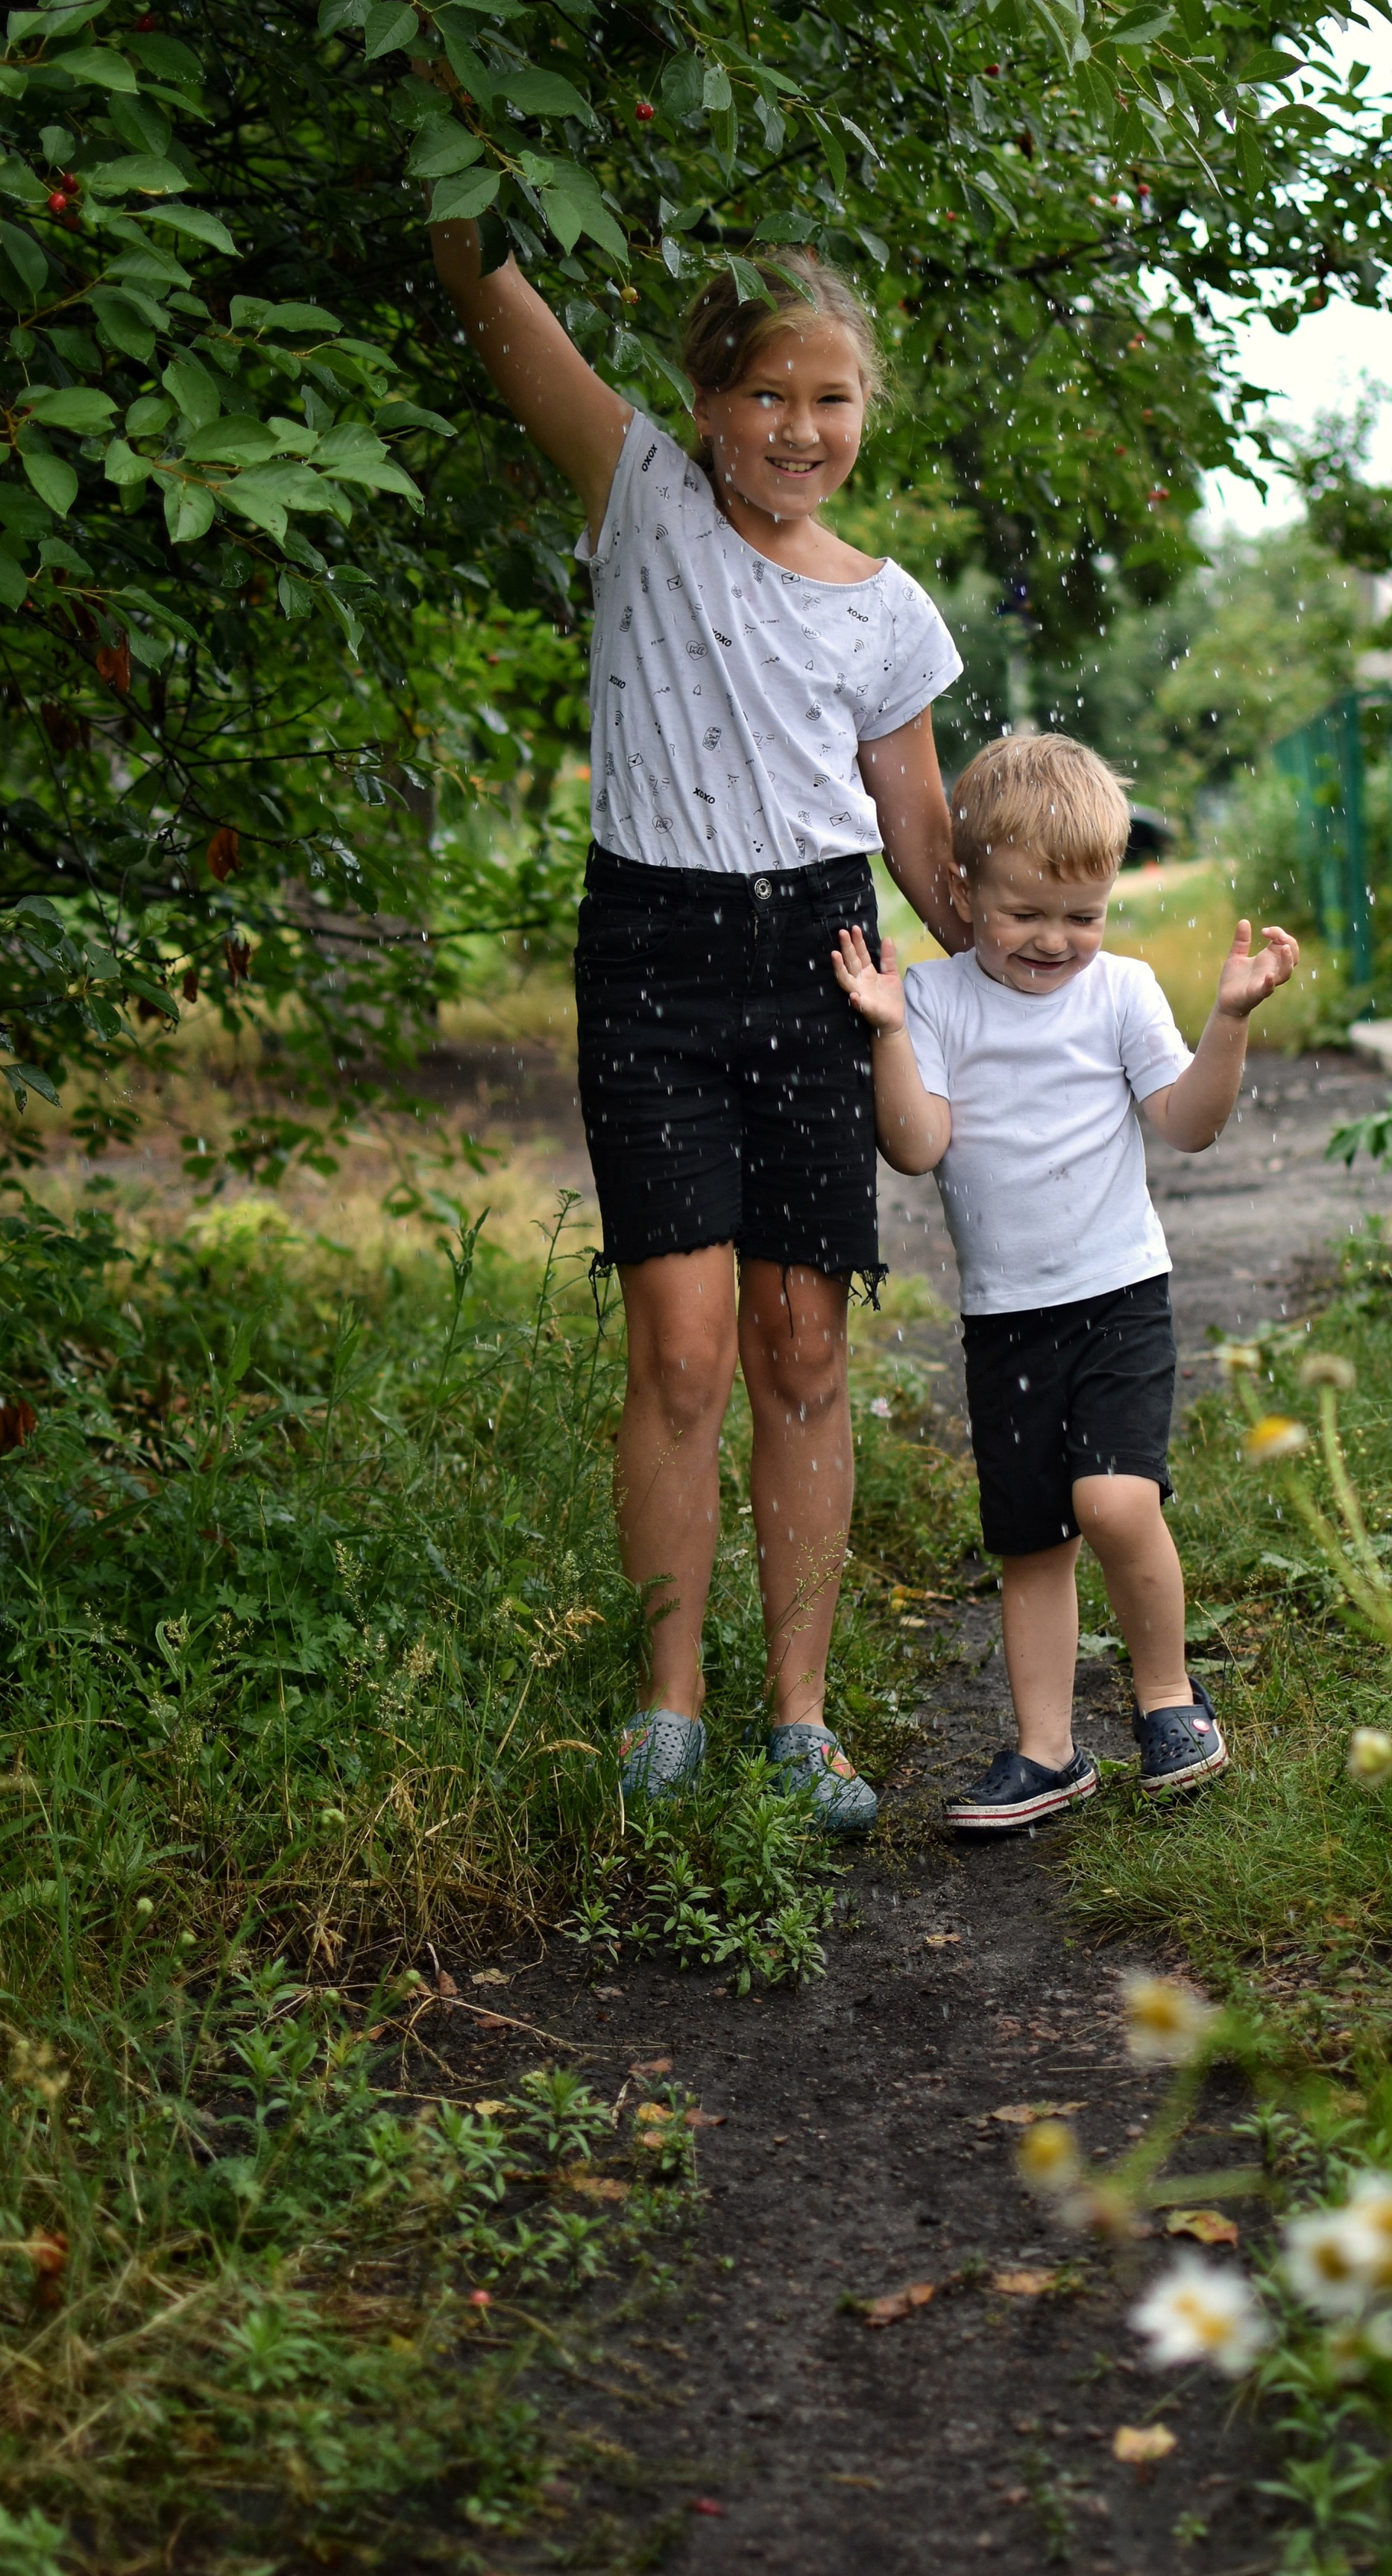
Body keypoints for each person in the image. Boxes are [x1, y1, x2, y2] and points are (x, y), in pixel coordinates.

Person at [428, 228, 967, 1830]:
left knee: (799, 1348)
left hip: (822, 958)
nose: (800, 428)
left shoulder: (889, 614)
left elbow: (926, 852)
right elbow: (486, 285)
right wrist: (438, 99)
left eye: (833, 398)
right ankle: (665, 1713)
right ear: (704, 400)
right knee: (676, 1351)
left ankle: (799, 1723)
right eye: (766, 393)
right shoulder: (641, 495)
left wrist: (1032, 975)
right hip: (653, 955)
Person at [831, 733, 1300, 1830]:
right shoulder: (939, 1001)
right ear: (965, 888)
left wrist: (1225, 1023)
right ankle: (1047, 1753)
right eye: (1025, 913)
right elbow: (916, 1147)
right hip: (1007, 1322)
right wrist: (890, 1035)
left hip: (1120, 1299)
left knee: (1114, 1498)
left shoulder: (1121, 994)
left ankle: (1170, 1700)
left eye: (1082, 917)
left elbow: (1187, 1127)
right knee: (1032, 1541)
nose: (1055, 941)